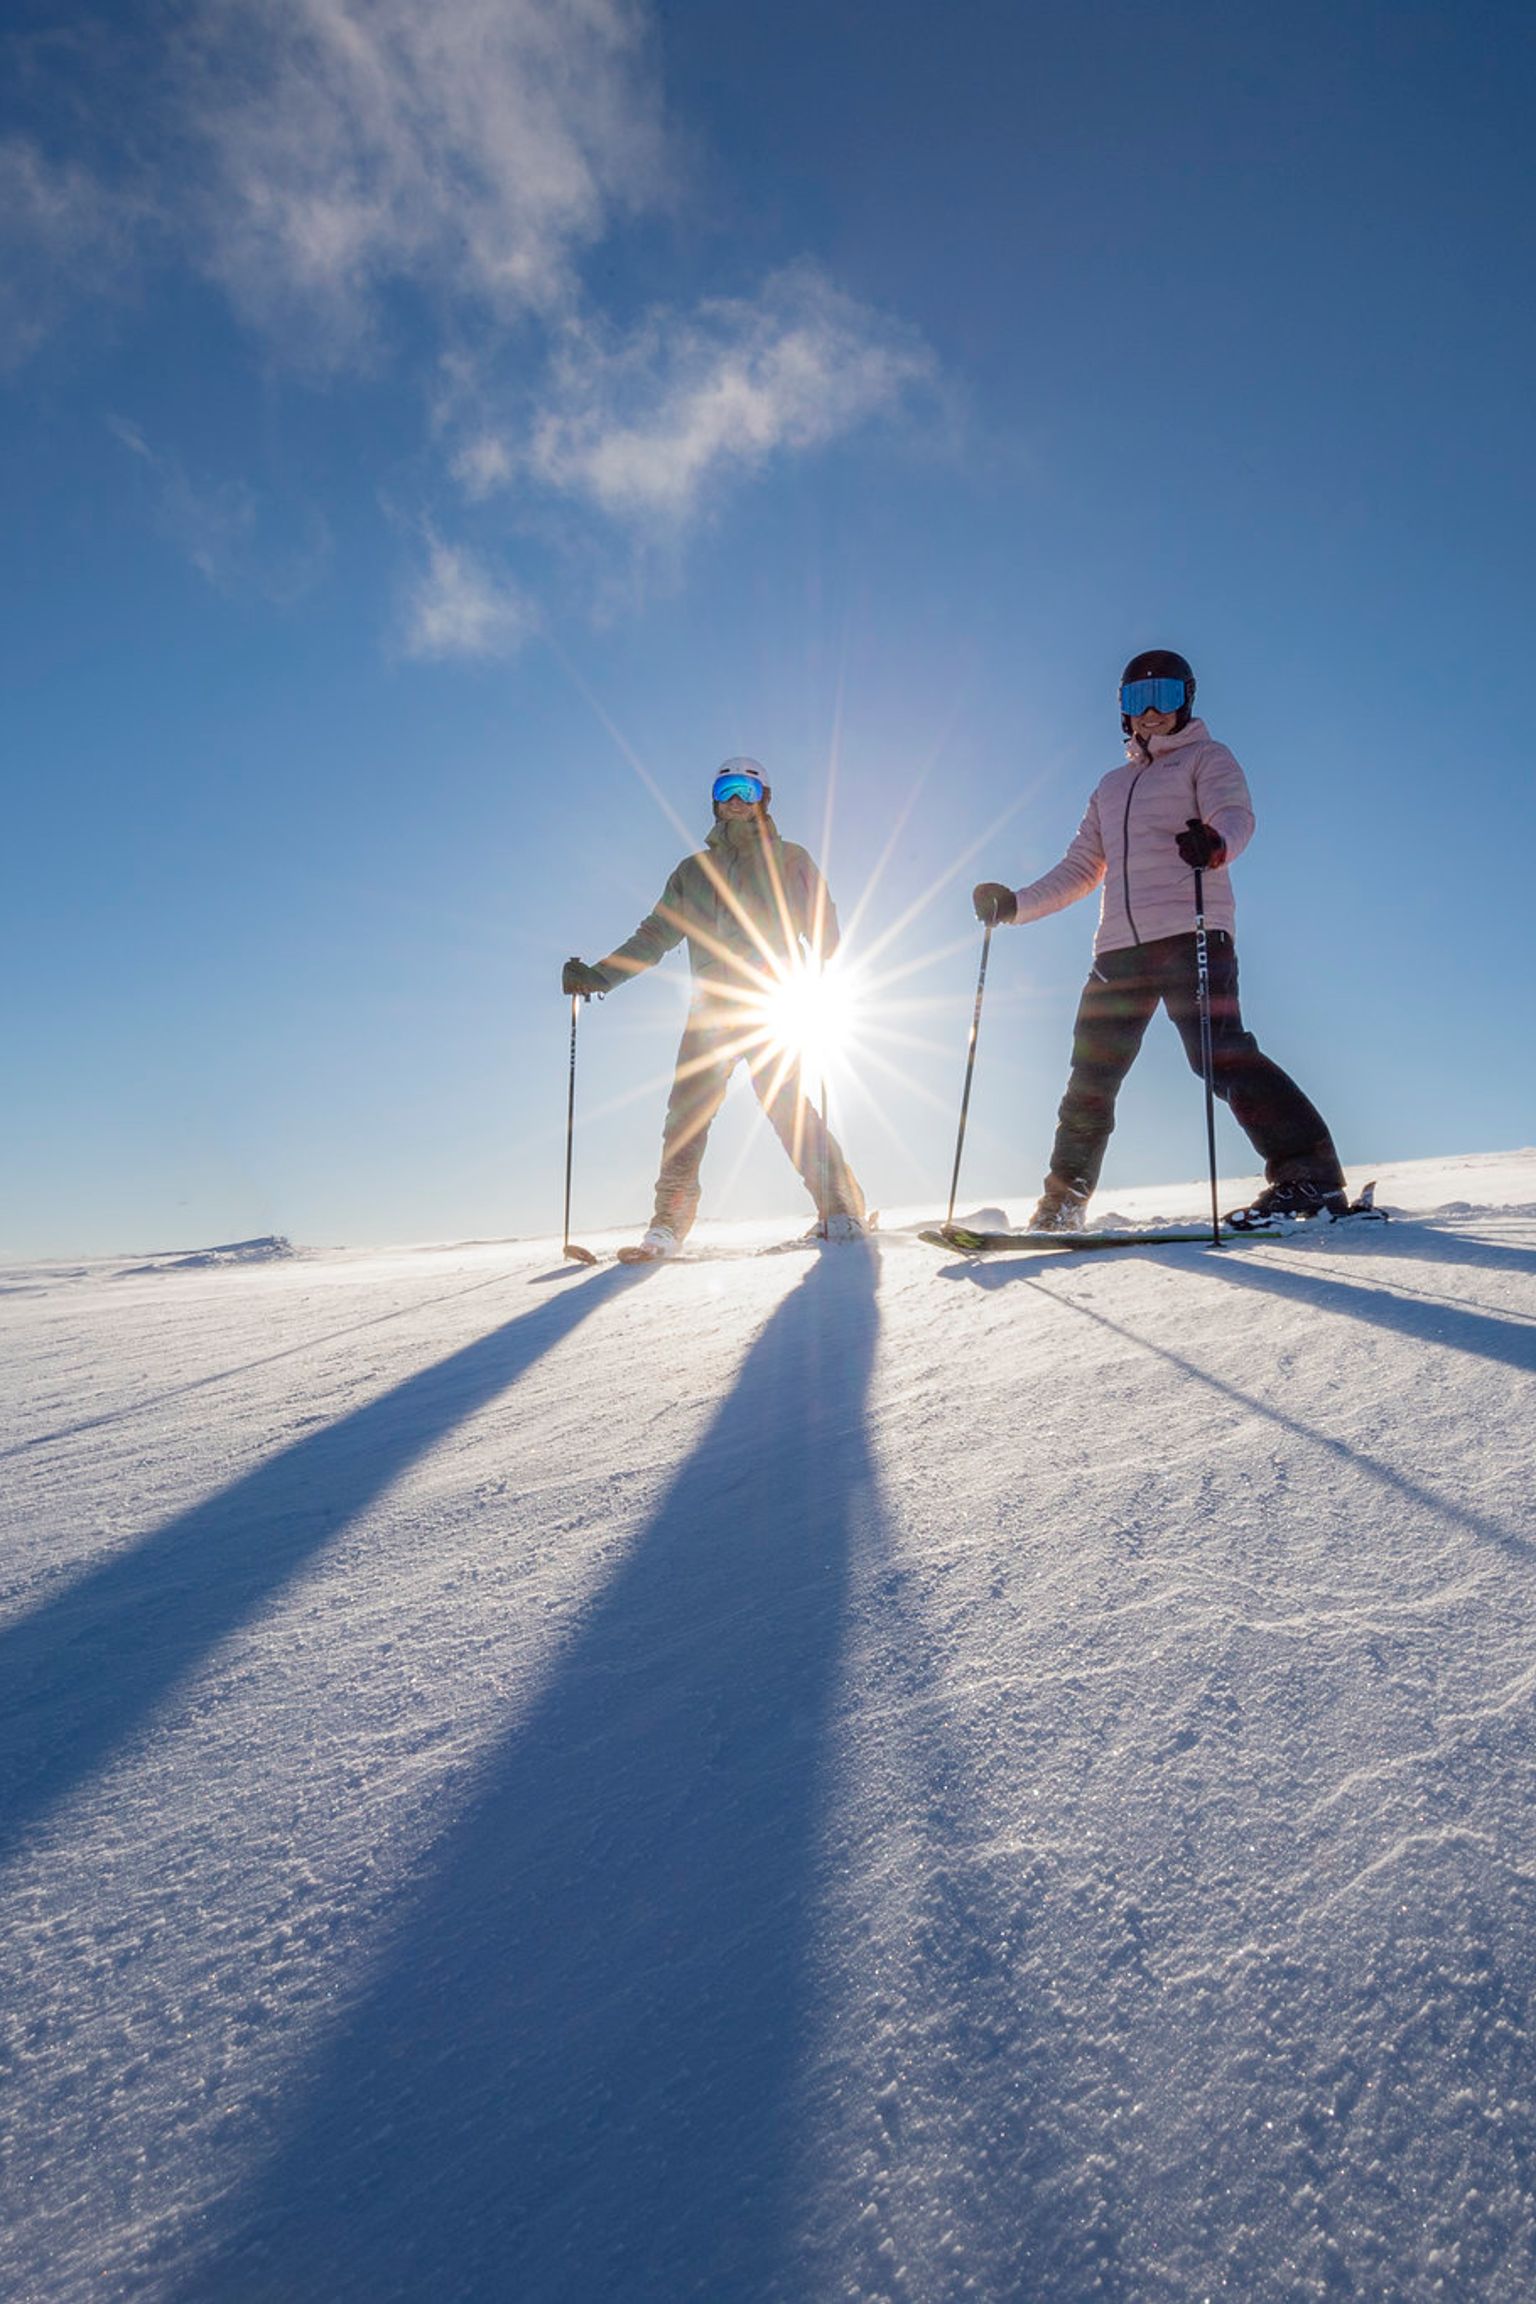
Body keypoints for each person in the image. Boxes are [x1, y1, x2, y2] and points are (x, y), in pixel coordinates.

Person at [972, 649, 1350, 1231]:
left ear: (1186, 701)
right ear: (1122, 710)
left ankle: (1310, 1176)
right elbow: (1082, 867)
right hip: (1117, 950)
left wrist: (1215, 842)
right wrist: (1016, 906)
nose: (1151, 711)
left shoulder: (1207, 758)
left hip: (1191, 932)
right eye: (1137, 699)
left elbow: (1235, 814)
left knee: (1221, 1056)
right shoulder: (1110, 787)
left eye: (1165, 696)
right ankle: (1063, 1202)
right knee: (1090, 1079)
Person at [563, 758, 868, 1257]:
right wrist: (599, 977)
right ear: (714, 802)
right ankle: (667, 1225)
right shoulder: (693, 873)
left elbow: (826, 931)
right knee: (685, 1118)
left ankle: (841, 1209)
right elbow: (653, 936)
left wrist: (820, 941)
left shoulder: (791, 859)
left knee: (788, 1107)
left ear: (764, 798)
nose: (736, 800)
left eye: (746, 789)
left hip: (772, 1005)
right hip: (710, 1015)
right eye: (726, 790)